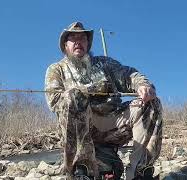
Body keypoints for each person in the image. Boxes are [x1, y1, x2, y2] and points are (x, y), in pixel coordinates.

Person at [45, 22, 163, 180]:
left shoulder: (105, 63)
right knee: (72, 97)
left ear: (88, 43)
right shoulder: (56, 69)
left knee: (151, 103)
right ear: (65, 45)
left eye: (83, 38)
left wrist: (143, 85)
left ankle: (140, 171)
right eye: (73, 38)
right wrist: (86, 92)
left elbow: (128, 75)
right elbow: (54, 101)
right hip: (82, 129)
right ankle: (82, 170)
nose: (78, 41)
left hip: (114, 124)